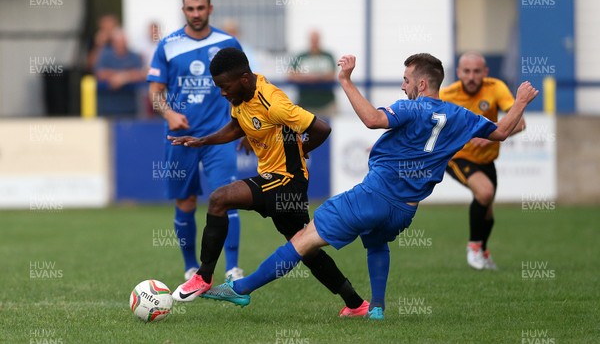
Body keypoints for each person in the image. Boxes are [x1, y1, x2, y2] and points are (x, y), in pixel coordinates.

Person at [200, 53, 538, 320]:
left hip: (373, 196)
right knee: (376, 242)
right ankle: (375, 307)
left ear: (421, 83)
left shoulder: (412, 108)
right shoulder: (462, 116)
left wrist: (345, 80)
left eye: (406, 80)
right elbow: (503, 131)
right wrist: (521, 100)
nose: (403, 86)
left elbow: (373, 120)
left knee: (302, 240)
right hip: (404, 211)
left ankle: (241, 288)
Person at [168, 47, 370, 318]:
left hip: (287, 181)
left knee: (219, 198)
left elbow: (322, 128)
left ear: (242, 78)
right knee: (305, 247)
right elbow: (238, 124)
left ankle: (203, 277)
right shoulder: (241, 95)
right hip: (276, 179)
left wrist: (302, 148)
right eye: (218, 87)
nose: (222, 93)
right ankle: (356, 304)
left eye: (224, 87)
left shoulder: (274, 102)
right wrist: (203, 140)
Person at [147, 0, 243, 281]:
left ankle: (233, 268)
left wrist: (248, 130)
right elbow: (154, 93)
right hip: (181, 139)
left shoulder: (228, 43)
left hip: (220, 137)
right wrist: (169, 113)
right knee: (185, 202)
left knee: (226, 197)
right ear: (183, 10)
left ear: (210, 8)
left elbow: (244, 89)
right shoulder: (168, 45)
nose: (196, 14)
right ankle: (191, 267)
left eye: (201, 8)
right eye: (190, 9)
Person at [440, 51, 526, 270]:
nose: (471, 76)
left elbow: (520, 123)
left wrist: (489, 139)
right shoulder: (447, 95)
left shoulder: (496, 87)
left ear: (485, 72)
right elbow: (420, 119)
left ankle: (484, 252)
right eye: (466, 71)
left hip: (487, 160)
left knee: (487, 210)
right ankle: (474, 248)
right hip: (458, 157)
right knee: (485, 192)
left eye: (476, 71)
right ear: (458, 72)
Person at [94, 29, 146, 117]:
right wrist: (118, 76)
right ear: (113, 42)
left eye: (123, 41)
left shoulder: (134, 56)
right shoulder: (105, 55)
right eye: (118, 42)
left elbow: (141, 74)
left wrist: (124, 77)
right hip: (107, 106)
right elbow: (100, 73)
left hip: (131, 107)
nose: (121, 44)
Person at [287, 30, 337, 118]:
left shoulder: (328, 56)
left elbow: (332, 75)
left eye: (316, 40)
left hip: (326, 103)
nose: (314, 42)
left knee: (327, 129)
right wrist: (307, 77)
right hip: (305, 103)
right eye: (312, 40)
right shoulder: (301, 56)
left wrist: (316, 77)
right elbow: (291, 74)